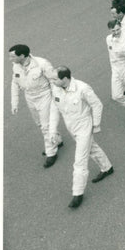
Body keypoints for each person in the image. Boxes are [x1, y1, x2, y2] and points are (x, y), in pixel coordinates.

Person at [49, 66, 114, 208]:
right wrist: (52, 130)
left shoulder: (82, 88)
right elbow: (55, 108)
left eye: (55, 78)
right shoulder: (56, 88)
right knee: (91, 148)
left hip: (84, 125)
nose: (51, 80)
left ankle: (77, 193)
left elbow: (97, 105)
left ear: (64, 79)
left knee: (80, 160)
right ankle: (107, 167)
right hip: (70, 125)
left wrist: (96, 125)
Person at [8, 44, 63, 166]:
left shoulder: (42, 64)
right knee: (39, 123)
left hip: (44, 96)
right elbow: (15, 83)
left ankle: (51, 153)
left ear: (22, 56)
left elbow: (53, 81)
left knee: (46, 127)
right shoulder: (16, 66)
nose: (10, 59)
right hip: (30, 97)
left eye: (12, 56)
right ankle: (56, 140)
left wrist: (56, 99)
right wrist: (14, 103)